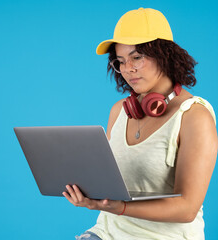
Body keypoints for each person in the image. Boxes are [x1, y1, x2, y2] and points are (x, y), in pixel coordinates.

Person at [62, 7, 218, 240]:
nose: (128, 69)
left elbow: (187, 209)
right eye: (121, 61)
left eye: (137, 57)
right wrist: (88, 193)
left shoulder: (195, 116)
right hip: (107, 233)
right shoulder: (119, 111)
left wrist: (120, 208)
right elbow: (109, 180)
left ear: (165, 55)